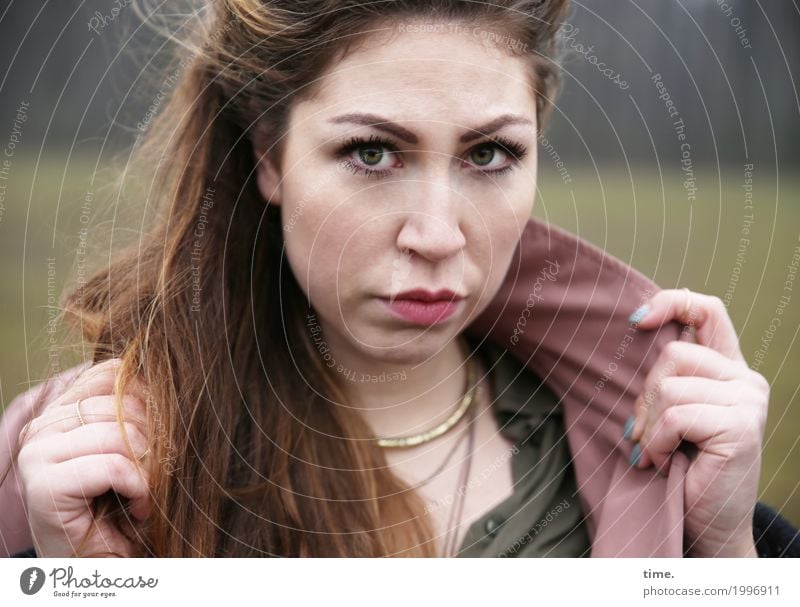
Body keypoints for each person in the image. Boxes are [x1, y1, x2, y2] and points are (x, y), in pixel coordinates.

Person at [1, 0, 798, 558]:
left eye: (489, 154)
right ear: (269, 156)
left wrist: (721, 550)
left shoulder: (659, 450)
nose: (437, 235)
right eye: (373, 152)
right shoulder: (80, 467)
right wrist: (83, 576)